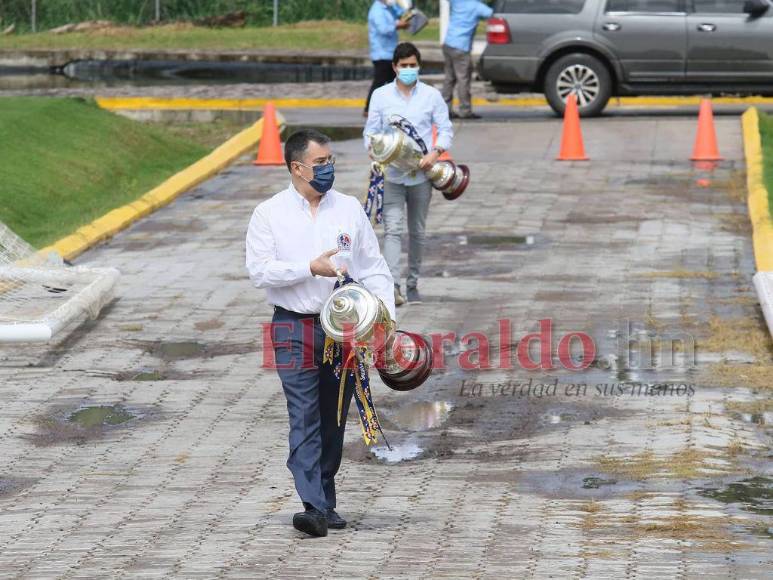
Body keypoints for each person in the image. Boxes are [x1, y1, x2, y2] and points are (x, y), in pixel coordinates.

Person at [246, 129, 396, 538]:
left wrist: (385, 321)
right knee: (304, 414)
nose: (329, 168)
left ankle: (324, 499)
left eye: (331, 161)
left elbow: (374, 268)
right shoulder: (269, 214)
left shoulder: (348, 209)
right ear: (297, 168)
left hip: (343, 334)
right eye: (321, 162)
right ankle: (312, 504)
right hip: (293, 327)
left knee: (333, 418)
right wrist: (308, 267)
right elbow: (260, 271)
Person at [364, 42, 453, 306]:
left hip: (421, 176)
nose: (409, 70)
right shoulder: (380, 96)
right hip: (392, 175)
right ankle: (394, 287)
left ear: (419, 66)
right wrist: (373, 150)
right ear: (394, 67)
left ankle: (413, 283)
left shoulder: (431, 96)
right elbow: (369, 133)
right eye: (404, 66)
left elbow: (446, 129)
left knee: (417, 232)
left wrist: (435, 153)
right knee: (392, 230)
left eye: (413, 65)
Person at [442, 0, 493, 119]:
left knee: (449, 79)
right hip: (461, 47)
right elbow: (494, 14)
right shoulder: (477, 6)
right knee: (463, 80)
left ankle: (445, 110)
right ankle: (465, 110)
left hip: (448, 44)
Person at [366, 0, 409, 116]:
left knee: (393, 82)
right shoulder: (377, 11)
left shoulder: (388, 7)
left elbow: (401, 13)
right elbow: (383, 29)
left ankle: (394, 108)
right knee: (379, 83)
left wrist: (403, 6)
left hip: (389, 52)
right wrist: (397, 25)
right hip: (381, 53)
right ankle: (369, 108)